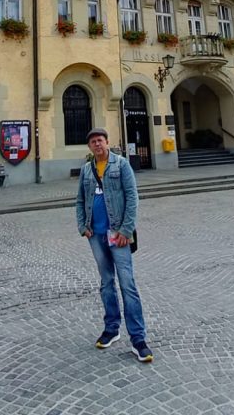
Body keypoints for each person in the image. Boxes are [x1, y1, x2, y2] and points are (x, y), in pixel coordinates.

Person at [75, 127, 153, 363]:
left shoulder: (121, 165)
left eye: (100, 141)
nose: (97, 145)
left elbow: (132, 197)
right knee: (106, 282)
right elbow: (80, 199)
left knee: (127, 284)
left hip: (117, 234)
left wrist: (126, 230)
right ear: (89, 147)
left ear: (108, 142)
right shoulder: (87, 170)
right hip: (96, 235)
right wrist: (83, 226)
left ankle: (138, 339)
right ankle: (112, 328)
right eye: (93, 142)